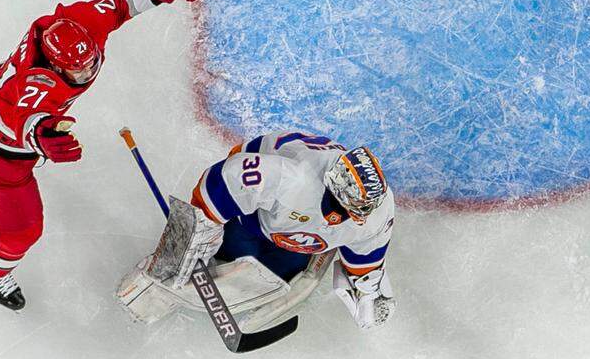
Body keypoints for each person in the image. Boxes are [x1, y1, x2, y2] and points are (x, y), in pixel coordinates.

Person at [0, 0, 206, 309]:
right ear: (57, 67)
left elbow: (118, 2)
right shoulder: (36, 86)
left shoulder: (81, 26)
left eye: (91, 62)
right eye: (79, 69)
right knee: (22, 232)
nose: (89, 71)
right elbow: (21, 119)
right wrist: (42, 137)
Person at [117, 131, 395, 331]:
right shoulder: (289, 178)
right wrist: (199, 227)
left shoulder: (376, 213)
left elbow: (366, 256)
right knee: (227, 253)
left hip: (291, 236)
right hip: (253, 215)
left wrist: (366, 288)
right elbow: (221, 182)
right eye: (356, 208)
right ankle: (163, 281)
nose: (361, 217)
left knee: (278, 271)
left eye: (365, 209)